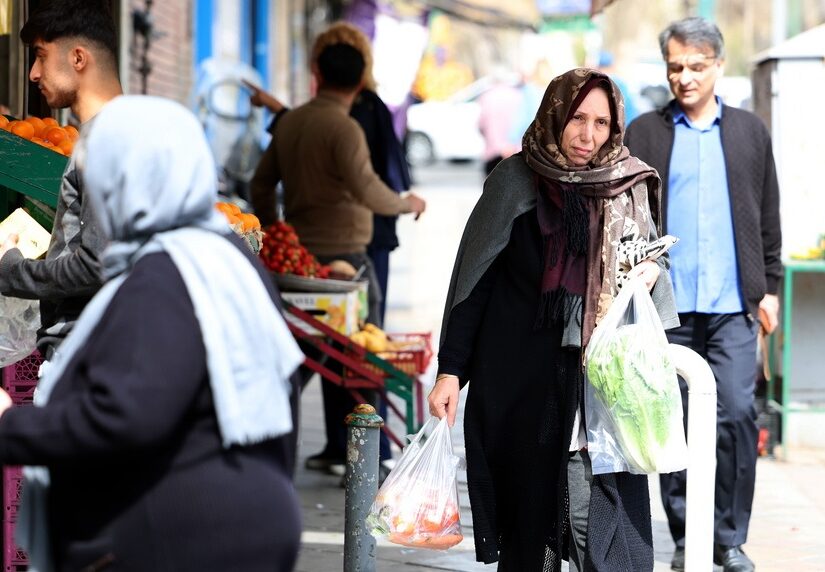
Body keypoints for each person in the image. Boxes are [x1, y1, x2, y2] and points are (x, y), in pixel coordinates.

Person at [0, 95, 304, 571]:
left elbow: (124, 417)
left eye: (100, 183)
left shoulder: (167, 276)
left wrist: (11, 424)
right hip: (245, 522)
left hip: (182, 537)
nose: (95, 202)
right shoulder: (224, 255)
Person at [427, 68, 679, 571]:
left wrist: (651, 268)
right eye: (577, 119)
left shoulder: (626, 182)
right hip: (522, 383)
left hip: (601, 387)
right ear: (554, 115)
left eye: (602, 123)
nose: (588, 135)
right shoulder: (514, 181)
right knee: (530, 525)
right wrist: (451, 369)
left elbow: (653, 256)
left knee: (599, 522)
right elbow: (474, 282)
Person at [625, 18, 781, 572]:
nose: (684, 77)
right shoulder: (643, 133)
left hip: (734, 302)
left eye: (695, 66)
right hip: (668, 307)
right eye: (675, 67)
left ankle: (729, 538)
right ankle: (687, 534)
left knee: (738, 413)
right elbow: (626, 217)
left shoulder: (748, 132)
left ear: (717, 66)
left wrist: (772, 287)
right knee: (673, 420)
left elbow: (767, 214)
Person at [250, 28, 426, 474]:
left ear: (317, 74)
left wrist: (276, 231)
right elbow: (368, 188)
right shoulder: (344, 128)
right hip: (348, 265)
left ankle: (274, 463)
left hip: (298, 264)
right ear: (359, 81)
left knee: (297, 362)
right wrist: (407, 203)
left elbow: (260, 184)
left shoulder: (291, 122)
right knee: (362, 365)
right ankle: (365, 465)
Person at [0, 0, 123, 359]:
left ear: (78, 58)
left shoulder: (106, 141)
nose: (33, 74)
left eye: (41, 56)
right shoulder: (117, 134)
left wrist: (12, 270)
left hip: (83, 350)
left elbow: (96, 263)